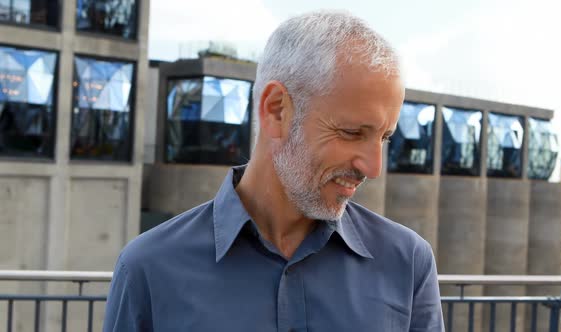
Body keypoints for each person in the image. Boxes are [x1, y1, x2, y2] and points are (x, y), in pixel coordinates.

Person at [103, 10, 444, 332]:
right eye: (352, 133)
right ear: (276, 110)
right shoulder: (147, 269)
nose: (373, 167)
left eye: (384, 138)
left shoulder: (408, 263)